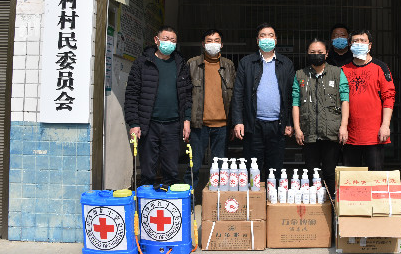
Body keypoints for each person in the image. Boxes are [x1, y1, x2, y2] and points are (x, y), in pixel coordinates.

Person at [124, 26, 192, 187]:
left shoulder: (180, 64)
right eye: (166, 39)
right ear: (156, 40)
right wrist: (134, 123)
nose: (169, 42)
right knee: (148, 169)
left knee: (171, 170)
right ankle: (147, 199)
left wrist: (187, 120)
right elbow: (131, 95)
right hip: (148, 124)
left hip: (173, 124)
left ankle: (169, 200)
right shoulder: (142, 63)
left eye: (173, 40)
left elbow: (187, 94)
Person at [232, 23, 295, 177]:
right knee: (252, 170)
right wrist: (238, 121)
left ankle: (272, 193)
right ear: (257, 40)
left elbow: (291, 95)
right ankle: (254, 193)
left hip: (277, 125)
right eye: (263, 35)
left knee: (275, 170)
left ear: (276, 40)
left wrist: (289, 122)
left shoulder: (286, 63)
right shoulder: (246, 63)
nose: (267, 38)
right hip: (253, 125)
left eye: (270, 35)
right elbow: (238, 94)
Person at [292, 38, 349, 194]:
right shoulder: (300, 75)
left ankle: (332, 205)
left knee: (330, 172)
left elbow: (345, 100)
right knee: (312, 173)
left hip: (331, 132)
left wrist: (344, 126)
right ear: (307, 54)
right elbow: (296, 102)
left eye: (319, 52)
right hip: (308, 132)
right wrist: (297, 128)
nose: (316, 55)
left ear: (326, 54)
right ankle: (315, 205)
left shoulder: (337, 73)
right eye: (312, 52)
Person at [183, 29, 236, 193]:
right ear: (203, 44)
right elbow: (185, 94)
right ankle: (189, 198)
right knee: (194, 165)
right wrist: (186, 121)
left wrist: (234, 123)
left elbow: (235, 96)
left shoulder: (229, 65)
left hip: (222, 125)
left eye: (216, 40)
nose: (213, 44)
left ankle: (215, 199)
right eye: (209, 40)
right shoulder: (192, 64)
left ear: (222, 44)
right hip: (199, 124)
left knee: (219, 167)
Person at [341, 29, 395, 171]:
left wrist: (385, 125)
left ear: (370, 45)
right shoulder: (343, 69)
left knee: (375, 176)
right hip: (350, 135)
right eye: (355, 41)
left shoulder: (380, 67)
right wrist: (342, 127)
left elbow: (389, 97)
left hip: (374, 135)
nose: (359, 44)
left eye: (363, 41)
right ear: (350, 45)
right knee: (351, 178)